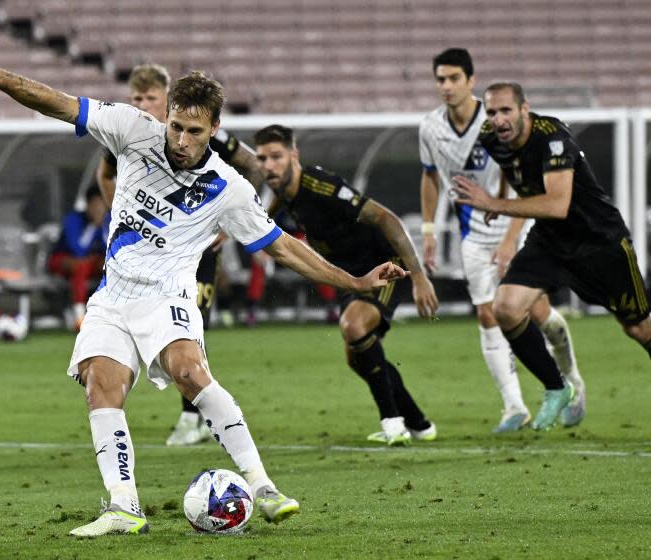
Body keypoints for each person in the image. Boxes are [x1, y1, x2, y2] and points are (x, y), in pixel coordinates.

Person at [0, 30, 407, 537]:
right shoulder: (132, 129)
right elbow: (58, 102)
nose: (182, 141)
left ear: (215, 129)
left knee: (188, 370)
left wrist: (353, 280)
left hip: (168, 294)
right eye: (176, 127)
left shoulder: (230, 189)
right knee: (102, 386)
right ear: (167, 116)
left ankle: (263, 485)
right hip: (114, 293)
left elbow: (282, 246)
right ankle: (123, 507)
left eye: (195, 132)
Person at [452, 82, 651, 430]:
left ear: (524, 109)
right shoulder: (490, 137)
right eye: (492, 112)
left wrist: (495, 205)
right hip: (550, 241)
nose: (498, 120)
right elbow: (509, 171)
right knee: (506, 308)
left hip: (599, 241)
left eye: (506, 111)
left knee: (638, 327)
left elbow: (557, 205)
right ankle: (558, 387)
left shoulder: (552, 137)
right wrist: (500, 205)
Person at [96, 63, 267, 447]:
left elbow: (254, 167)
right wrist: (119, 213)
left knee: (190, 329)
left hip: (196, 254)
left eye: (149, 98)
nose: (142, 104)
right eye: (136, 98)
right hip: (147, 254)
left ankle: (194, 417)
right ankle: (195, 413)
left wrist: (226, 227)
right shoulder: (135, 138)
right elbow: (105, 174)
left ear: (167, 97)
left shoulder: (205, 138)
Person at [419, 48, 584, 432]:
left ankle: (572, 379)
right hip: (472, 231)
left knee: (534, 311)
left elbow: (519, 176)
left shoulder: (495, 121)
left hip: (515, 222)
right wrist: (428, 231)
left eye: (453, 78)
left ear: (470, 81)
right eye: (440, 79)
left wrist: (511, 239)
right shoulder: (429, 127)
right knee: (487, 312)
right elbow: (429, 176)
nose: (446, 86)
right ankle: (514, 406)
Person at [254, 124, 439, 445]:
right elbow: (273, 210)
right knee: (359, 357)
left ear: (294, 156)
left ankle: (393, 424)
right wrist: (260, 231)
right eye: (262, 158)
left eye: (276, 157)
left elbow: (385, 218)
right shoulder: (284, 192)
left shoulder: (322, 185)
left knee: (354, 327)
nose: (269, 165)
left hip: (383, 265)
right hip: (348, 273)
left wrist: (419, 275)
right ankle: (419, 423)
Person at [47, 186, 111, 329]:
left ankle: (110, 314)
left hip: (89, 262)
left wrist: (103, 227)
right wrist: (94, 226)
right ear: (88, 205)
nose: (99, 209)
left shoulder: (109, 220)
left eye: (102, 205)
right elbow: (78, 250)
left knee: (109, 265)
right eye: (95, 204)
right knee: (80, 265)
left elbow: (109, 248)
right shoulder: (73, 219)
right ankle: (79, 317)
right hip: (63, 259)